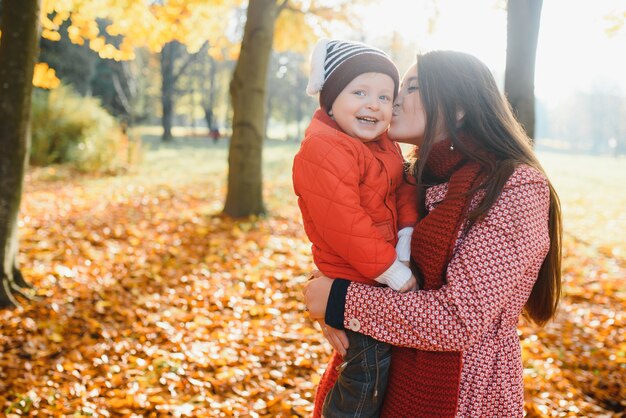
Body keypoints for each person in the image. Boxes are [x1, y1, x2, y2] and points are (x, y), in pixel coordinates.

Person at [303, 50, 563, 418]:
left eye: (411, 87)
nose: (393, 98)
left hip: (463, 394)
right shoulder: (409, 178)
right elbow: (347, 238)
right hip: (376, 378)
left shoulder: (514, 187)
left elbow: (459, 318)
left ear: (457, 107)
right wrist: (327, 294)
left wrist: (340, 302)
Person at [293, 39, 419, 417]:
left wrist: (407, 233)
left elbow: (403, 189)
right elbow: (343, 223)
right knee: (366, 373)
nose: (374, 104)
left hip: (369, 275)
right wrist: (392, 269)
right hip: (354, 276)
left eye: (384, 96)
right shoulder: (325, 149)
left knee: (370, 370)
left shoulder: (382, 146)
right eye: (359, 92)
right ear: (329, 101)